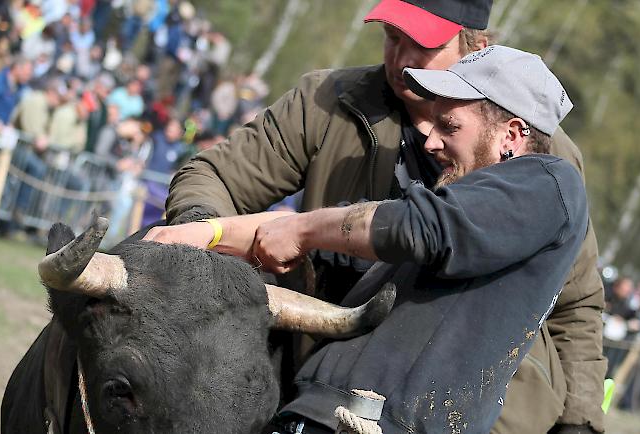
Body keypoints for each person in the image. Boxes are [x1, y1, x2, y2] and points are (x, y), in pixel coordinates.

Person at [157, 1, 606, 432]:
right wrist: (201, 234)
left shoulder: (548, 163)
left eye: (423, 47)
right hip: (324, 382)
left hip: (481, 410)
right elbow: (215, 175)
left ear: (476, 46)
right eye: (393, 38)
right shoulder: (328, 101)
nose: (401, 59)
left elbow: (577, 304)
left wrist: (579, 421)